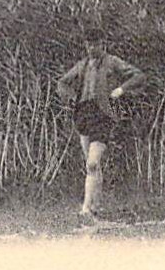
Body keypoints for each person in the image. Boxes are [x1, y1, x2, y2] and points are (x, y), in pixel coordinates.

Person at [55, 24, 147, 223]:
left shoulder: (112, 62)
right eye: (88, 45)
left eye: (95, 44)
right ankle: (96, 205)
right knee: (92, 166)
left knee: (92, 162)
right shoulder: (82, 65)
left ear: (102, 44)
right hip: (83, 114)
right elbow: (62, 83)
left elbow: (139, 75)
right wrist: (71, 98)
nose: (91, 48)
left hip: (103, 115)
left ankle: (86, 209)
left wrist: (120, 90)